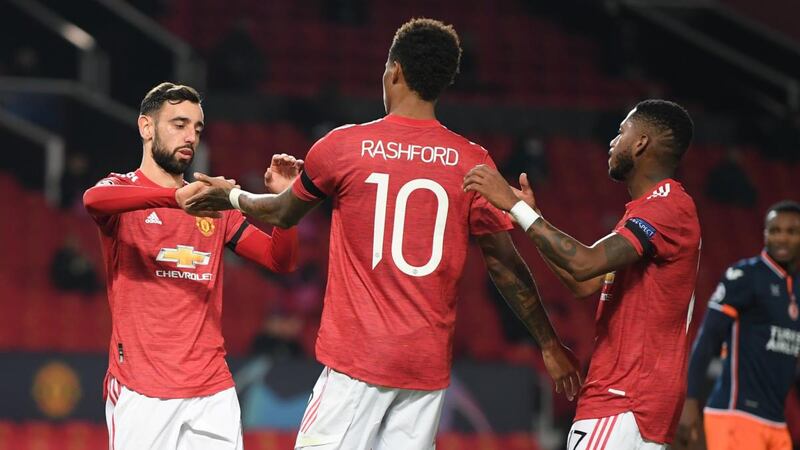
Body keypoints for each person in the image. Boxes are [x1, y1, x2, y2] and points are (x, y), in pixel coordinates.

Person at [181, 18, 581, 450]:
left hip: (357, 365)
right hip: (423, 374)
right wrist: (549, 342)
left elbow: (281, 214)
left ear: (394, 72)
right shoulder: (473, 161)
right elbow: (506, 266)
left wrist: (232, 196)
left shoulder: (343, 146)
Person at [463, 99, 701, 449]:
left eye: (621, 132)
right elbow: (584, 282)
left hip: (623, 399)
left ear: (641, 143)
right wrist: (532, 217)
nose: (612, 141)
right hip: (631, 404)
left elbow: (584, 263)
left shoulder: (667, 206)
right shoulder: (649, 211)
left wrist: (513, 206)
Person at [82, 82, 300, 450]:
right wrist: (174, 199)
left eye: (197, 128)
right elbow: (94, 200)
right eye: (179, 124)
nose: (190, 136)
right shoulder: (123, 190)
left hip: (212, 391)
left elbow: (280, 261)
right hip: (142, 390)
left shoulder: (215, 205)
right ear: (146, 128)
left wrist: (287, 204)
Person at [675, 201, 800, 450]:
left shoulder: (796, 289)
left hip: (776, 421)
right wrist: (689, 401)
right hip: (737, 415)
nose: (782, 238)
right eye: (774, 231)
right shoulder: (746, 276)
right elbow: (708, 337)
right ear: (764, 234)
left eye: (791, 232)